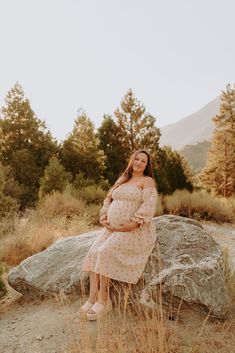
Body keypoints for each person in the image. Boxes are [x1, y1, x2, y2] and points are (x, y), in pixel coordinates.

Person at [78, 149, 158, 321]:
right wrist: (104, 216)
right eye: (136, 159)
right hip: (111, 228)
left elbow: (149, 204)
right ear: (132, 160)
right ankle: (92, 298)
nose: (138, 162)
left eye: (143, 161)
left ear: (147, 165)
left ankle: (104, 301)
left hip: (133, 229)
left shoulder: (147, 181)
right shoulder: (123, 179)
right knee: (93, 251)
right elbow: (108, 199)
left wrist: (134, 223)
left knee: (104, 252)